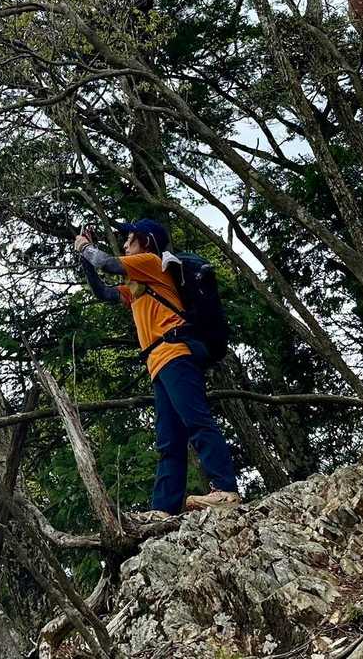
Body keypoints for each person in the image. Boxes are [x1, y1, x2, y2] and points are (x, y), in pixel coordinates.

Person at [75, 218, 241, 520]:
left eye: (130, 239)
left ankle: (226, 490)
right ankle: (164, 509)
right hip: (159, 362)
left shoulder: (151, 263)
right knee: (169, 441)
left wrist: (86, 248)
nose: (126, 244)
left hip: (175, 353)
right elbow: (103, 292)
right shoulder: (137, 285)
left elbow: (108, 263)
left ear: (146, 241)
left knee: (197, 421)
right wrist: (84, 257)